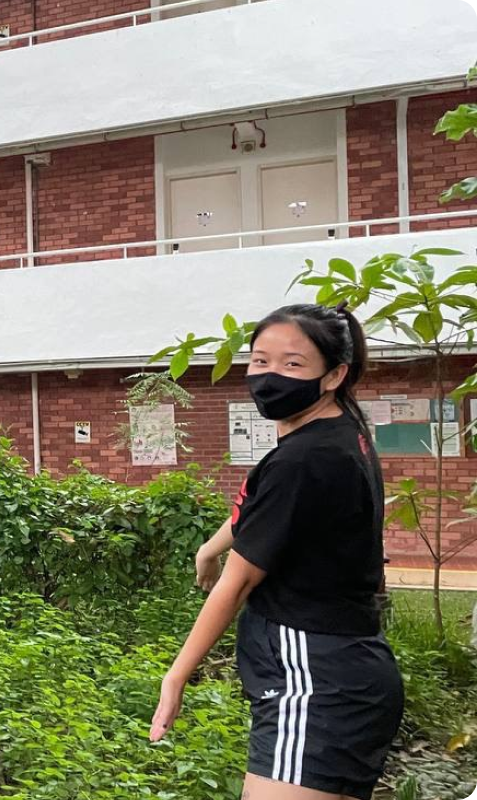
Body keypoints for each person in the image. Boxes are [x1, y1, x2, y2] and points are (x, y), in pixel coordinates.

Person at [151, 304, 403, 800]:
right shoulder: (335, 433)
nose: (269, 377)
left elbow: (239, 582)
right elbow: (261, 500)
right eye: (260, 360)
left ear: (333, 375)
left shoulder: (305, 459)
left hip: (315, 685)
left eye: (292, 364)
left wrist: (176, 676)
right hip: (345, 670)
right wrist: (211, 546)